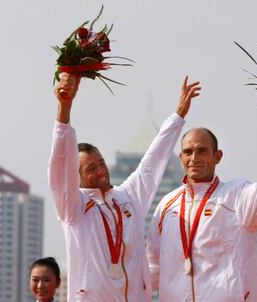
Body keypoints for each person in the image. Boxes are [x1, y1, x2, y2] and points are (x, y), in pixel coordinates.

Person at [48, 72, 201, 301]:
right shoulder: (73, 207)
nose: (101, 171)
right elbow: (60, 167)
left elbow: (152, 160)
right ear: (77, 178)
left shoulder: (128, 197)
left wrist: (178, 115)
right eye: (91, 169)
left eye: (101, 163)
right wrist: (64, 109)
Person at [146, 121, 257, 302]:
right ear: (181, 157)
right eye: (188, 152)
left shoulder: (236, 196)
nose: (194, 158)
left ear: (217, 156)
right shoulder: (166, 206)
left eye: (202, 150)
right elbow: (151, 268)